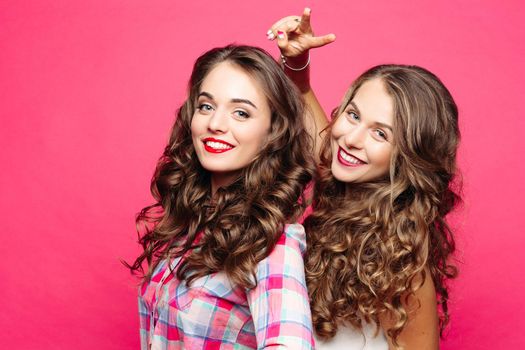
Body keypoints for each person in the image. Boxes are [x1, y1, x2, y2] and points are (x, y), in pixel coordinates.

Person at [268, 9, 461, 350]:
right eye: (353, 115)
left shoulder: (405, 269)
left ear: (409, 158)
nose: (351, 138)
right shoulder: (338, 183)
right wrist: (296, 59)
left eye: (380, 133)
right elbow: (311, 116)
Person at [127, 45, 316, 349]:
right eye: (206, 106)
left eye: (241, 113)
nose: (216, 124)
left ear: (272, 131)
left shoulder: (272, 244)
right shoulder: (191, 227)